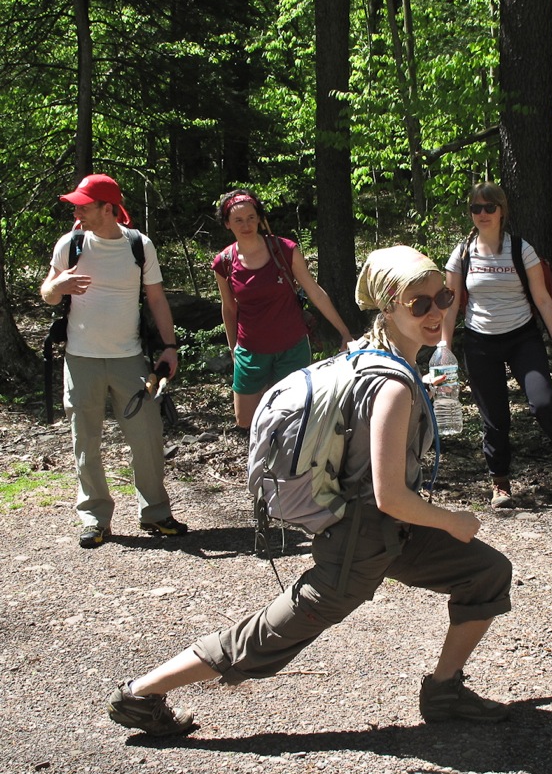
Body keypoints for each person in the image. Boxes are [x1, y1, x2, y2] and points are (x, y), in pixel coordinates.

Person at [106, 246, 513, 736]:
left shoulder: (370, 354)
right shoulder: (393, 386)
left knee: (486, 572)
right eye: (418, 303)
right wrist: (453, 520)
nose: (436, 311)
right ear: (388, 307)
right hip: (361, 542)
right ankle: (141, 693)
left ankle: (445, 690)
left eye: (443, 297)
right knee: (265, 637)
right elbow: (389, 495)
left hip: (391, 533)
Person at [40, 173, 187, 549]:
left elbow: (156, 300)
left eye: (84, 206)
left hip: (130, 360)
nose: (77, 212)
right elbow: (48, 293)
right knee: (85, 440)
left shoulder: (139, 246)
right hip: (80, 358)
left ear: (108, 208)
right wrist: (57, 288)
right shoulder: (70, 244)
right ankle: (95, 519)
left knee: (148, 439)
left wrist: (169, 347)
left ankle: (155, 514)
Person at [442, 181, 552, 509]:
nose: (482, 214)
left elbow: (543, 299)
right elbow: (450, 307)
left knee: (543, 402)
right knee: (495, 418)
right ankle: (501, 484)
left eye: (488, 207)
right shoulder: (462, 255)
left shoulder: (522, 249)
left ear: (502, 210)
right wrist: (445, 348)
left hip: (523, 337)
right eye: (475, 208)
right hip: (480, 342)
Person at [211, 189, 354, 428]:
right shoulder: (224, 262)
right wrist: (233, 347)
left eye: (251, 218)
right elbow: (229, 308)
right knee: (245, 420)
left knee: (293, 418)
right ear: (227, 224)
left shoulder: (284, 250)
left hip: (291, 347)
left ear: (259, 218)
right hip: (250, 350)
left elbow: (314, 292)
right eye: (238, 220)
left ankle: (285, 463)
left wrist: (344, 332)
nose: (246, 225)